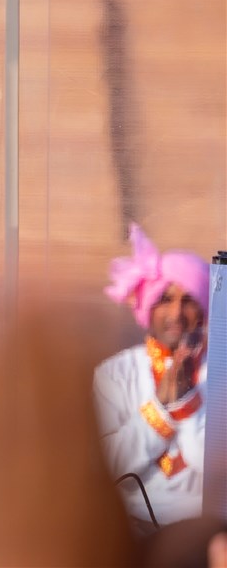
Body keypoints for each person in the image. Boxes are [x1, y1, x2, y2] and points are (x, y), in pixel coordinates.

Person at [96, 223, 209, 530]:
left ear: (203, 309)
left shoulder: (219, 372)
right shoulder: (115, 373)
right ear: (148, 306)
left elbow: (214, 467)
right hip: (131, 532)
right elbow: (105, 465)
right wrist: (160, 410)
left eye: (188, 300)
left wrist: (186, 402)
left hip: (203, 534)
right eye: (165, 300)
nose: (175, 313)